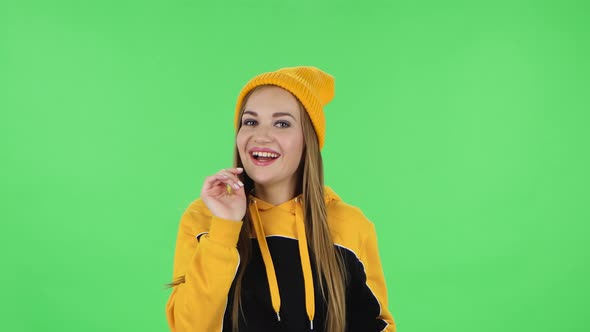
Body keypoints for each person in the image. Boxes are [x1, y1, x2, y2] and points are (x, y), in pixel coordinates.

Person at [165, 66, 396, 332]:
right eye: (250, 122)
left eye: (282, 123)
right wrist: (225, 228)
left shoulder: (349, 224)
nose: (261, 136)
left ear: (308, 139)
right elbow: (188, 328)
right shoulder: (205, 218)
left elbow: (374, 325)